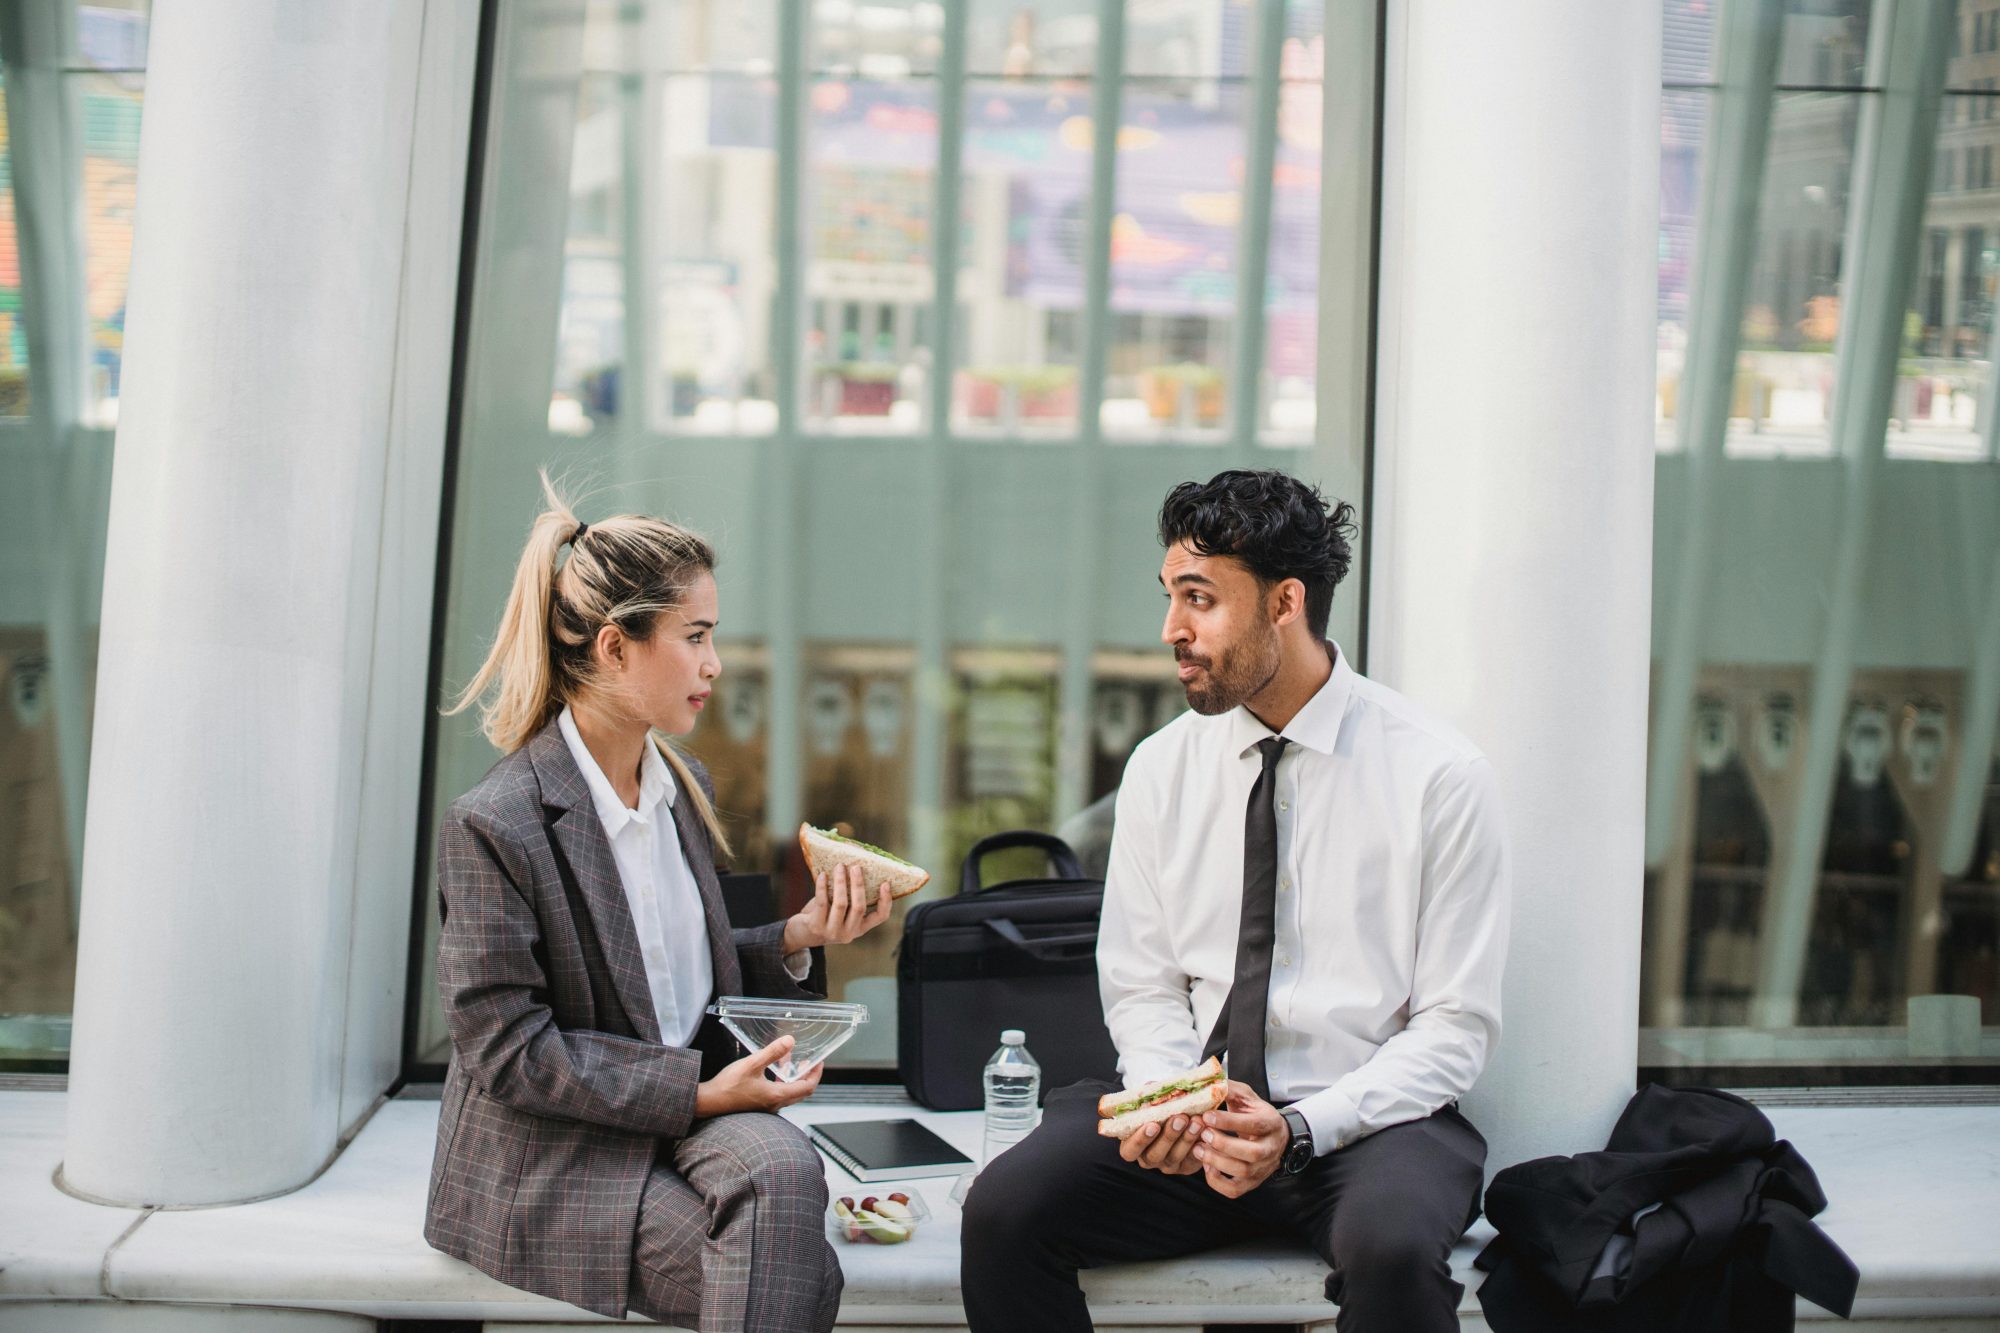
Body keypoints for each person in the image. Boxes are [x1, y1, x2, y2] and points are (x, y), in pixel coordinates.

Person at [961, 469, 1512, 1333]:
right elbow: (1143, 985)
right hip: (1194, 1115)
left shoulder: (1439, 776)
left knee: (1396, 1253)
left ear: (1284, 601)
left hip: (1364, 1127)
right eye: (1171, 595)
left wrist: (1298, 1129)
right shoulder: (1161, 767)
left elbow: (1455, 1028)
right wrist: (1173, 1098)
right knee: (1003, 1212)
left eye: (1200, 599)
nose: (1171, 629)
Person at [424, 477, 894, 1331]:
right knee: (798, 1275)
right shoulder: (496, 823)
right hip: (561, 1154)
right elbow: (510, 1052)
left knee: (785, 1179)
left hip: (679, 1113)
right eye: (696, 636)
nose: (715, 663)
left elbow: (671, 979)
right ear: (614, 646)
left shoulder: (683, 786)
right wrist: (706, 1094)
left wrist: (796, 936)